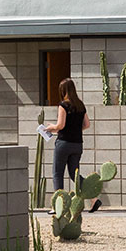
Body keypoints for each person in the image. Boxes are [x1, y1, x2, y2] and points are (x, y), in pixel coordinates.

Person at [43, 78, 98, 211]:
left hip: (64, 143)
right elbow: (87, 124)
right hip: (77, 144)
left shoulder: (63, 105)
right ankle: (94, 198)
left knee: (57, 173)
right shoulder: (80, 105)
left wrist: (51, 127)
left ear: (63, 91)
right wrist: (73, 130)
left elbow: (60, 125)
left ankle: (59, 206)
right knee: (74, 174)